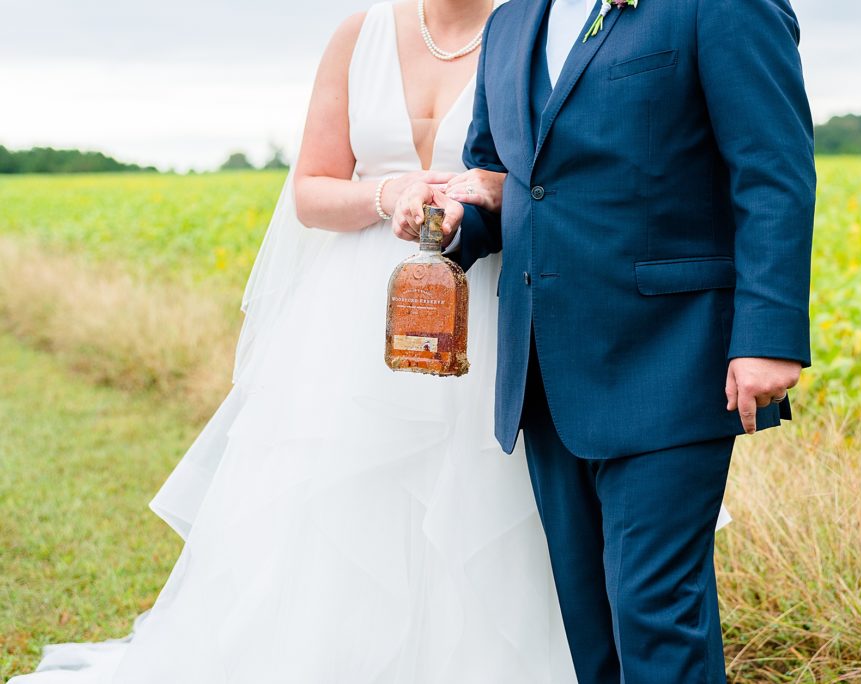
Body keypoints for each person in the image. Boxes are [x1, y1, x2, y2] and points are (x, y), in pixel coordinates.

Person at [11, 0, 648, 681]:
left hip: (483, 302)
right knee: (341, 513)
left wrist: (487, 191)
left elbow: (559, 173)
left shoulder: (530, 31)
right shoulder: (360, 33)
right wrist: (388, 194)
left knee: (483, 505)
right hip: (350, 321)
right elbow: (310, 190)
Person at [392, 0, 816, 681]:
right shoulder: (509, 24)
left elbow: (774, 172)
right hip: (543, 372)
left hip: (674, 357)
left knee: (656, 612)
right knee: (589, 630)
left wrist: (768, 334)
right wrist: (443, 222)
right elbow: (501, 184)